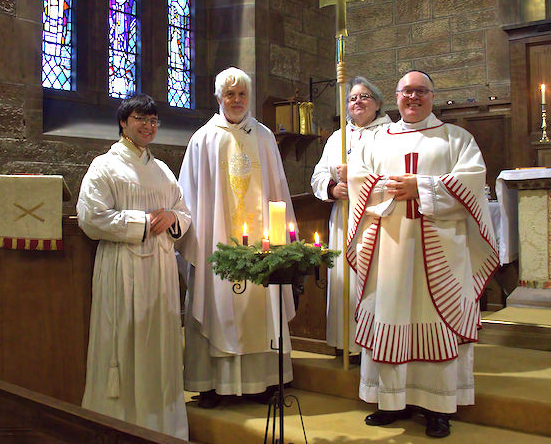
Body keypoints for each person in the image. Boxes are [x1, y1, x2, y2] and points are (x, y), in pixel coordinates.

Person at [347, 71, 498, 438]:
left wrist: (423, 187)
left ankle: (438, 407)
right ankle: (390, 400)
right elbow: (358, 179)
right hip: (390, 248)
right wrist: (393, 187)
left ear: (432, 96)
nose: (413, 98)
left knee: (438, 319)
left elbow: (472, 181)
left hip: (442, 252)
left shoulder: (456, 138)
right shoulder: (377, 138)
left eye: (421, 91)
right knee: (389, 313)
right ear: (396, 96)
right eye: (406, 91)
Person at [178, 67, 297, 408]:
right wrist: (195, 242)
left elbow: (278, 190)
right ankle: (213, 385)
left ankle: (264, 382)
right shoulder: (203, 139)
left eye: (242, 94)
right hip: (216, 244)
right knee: (216, 303)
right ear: (218, 98)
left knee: (262, 304)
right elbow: (189, 196)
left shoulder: (264, 137)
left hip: (263, 244)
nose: (236, 100)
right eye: (229, 94)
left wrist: (283, 241)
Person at [77, 94, 191, 439]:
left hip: (160, 272)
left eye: (153, 120)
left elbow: (183, 213)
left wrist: (172, 217)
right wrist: (142, 223)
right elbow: (91, 217)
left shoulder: (163, 170)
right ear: (124, 122)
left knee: (160, 348)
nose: (148, 126)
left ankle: (164, 427)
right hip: (122, 268)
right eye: (141, 119)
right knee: (123, 344)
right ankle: (121, 428)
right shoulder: (104, 166)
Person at [311, 76, 391, 358]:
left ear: (378, 103)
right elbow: (319, 175)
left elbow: (392, 176)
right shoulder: (338, 137)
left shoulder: (390, 134)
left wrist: (356, 181)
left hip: (377, 218)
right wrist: (333, 189)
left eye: (364, 96)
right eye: (352, 98)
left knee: (373, 280)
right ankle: (347, 346)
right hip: (344, 219)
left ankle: (376, 345)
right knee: (345, 279)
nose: (358, 102)